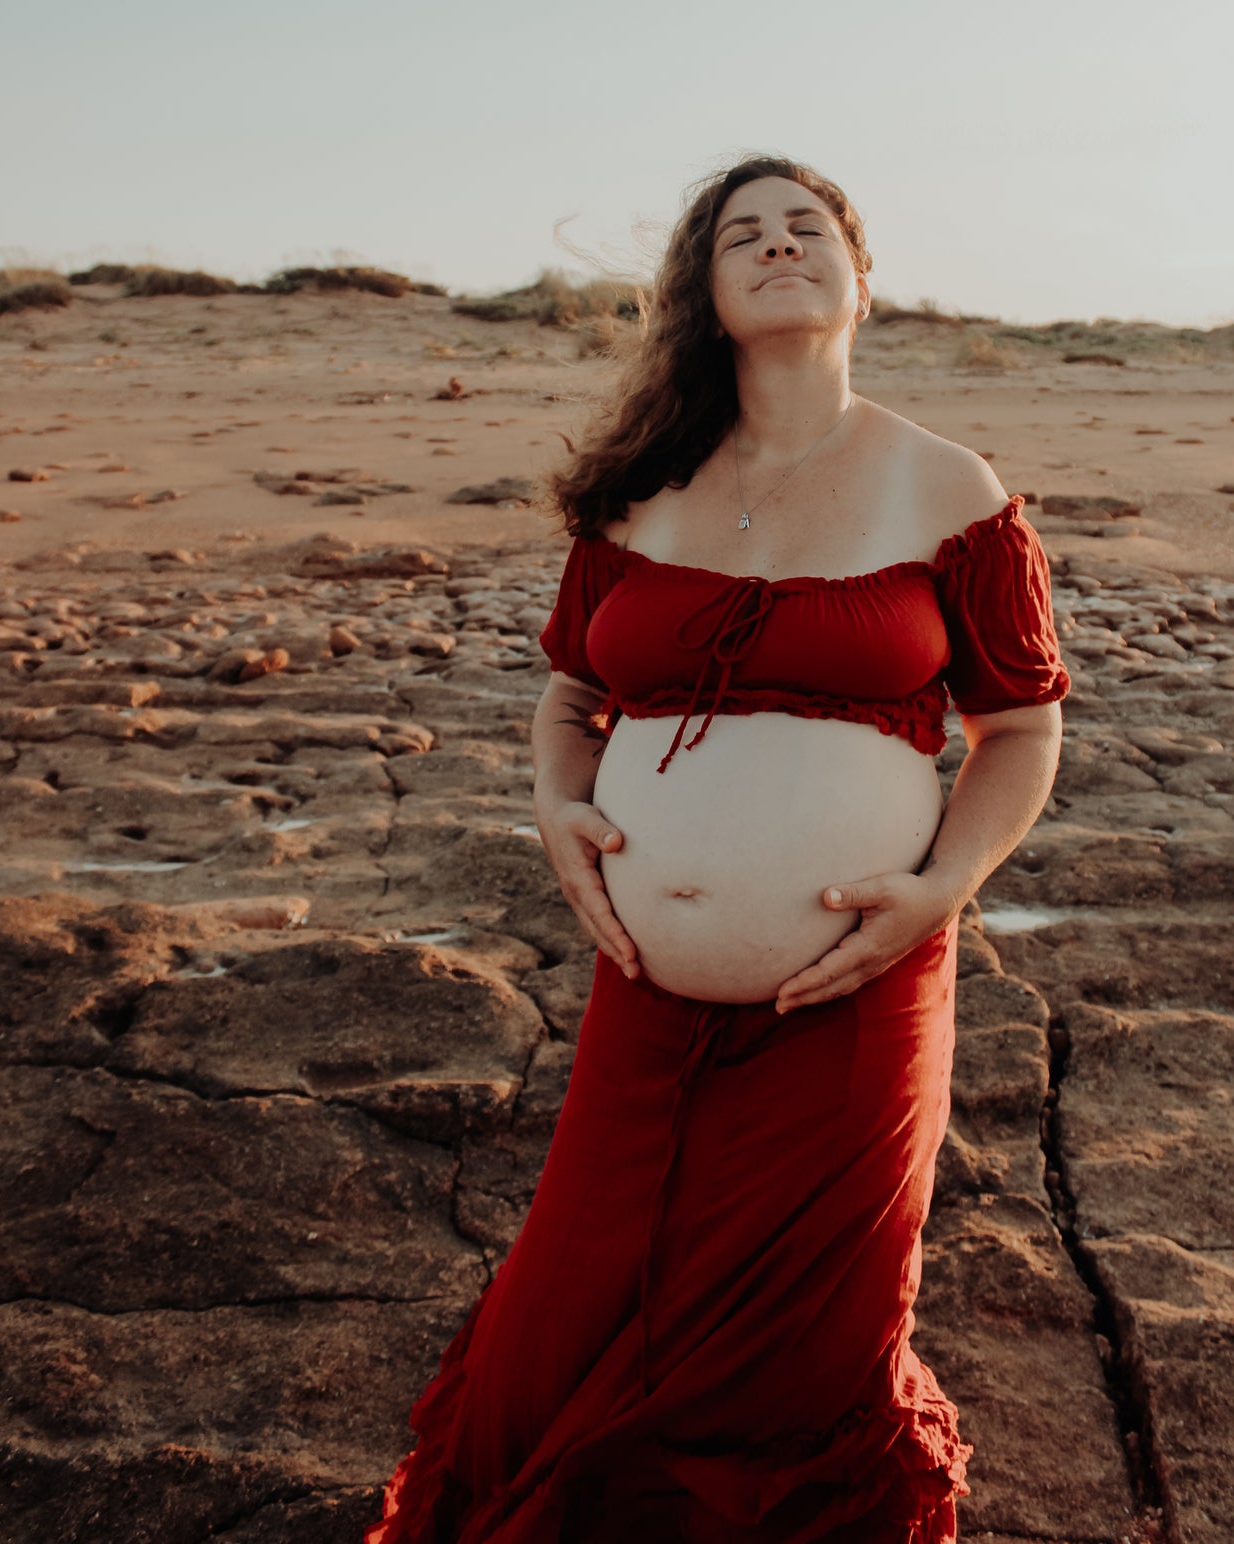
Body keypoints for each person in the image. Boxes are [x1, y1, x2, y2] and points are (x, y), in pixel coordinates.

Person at [366, 155, 1068, 1543]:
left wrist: (940, 888)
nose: (779, 245)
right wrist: (560, 813)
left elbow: (1020, 731)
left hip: (854, 988)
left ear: (858, 276)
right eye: (741, 233)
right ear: (703, 291)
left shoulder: (948, 486)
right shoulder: (640, 490)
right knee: (566, 1316)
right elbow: (569, 697)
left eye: (808, 226)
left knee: (804, 1345)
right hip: (644, 988)